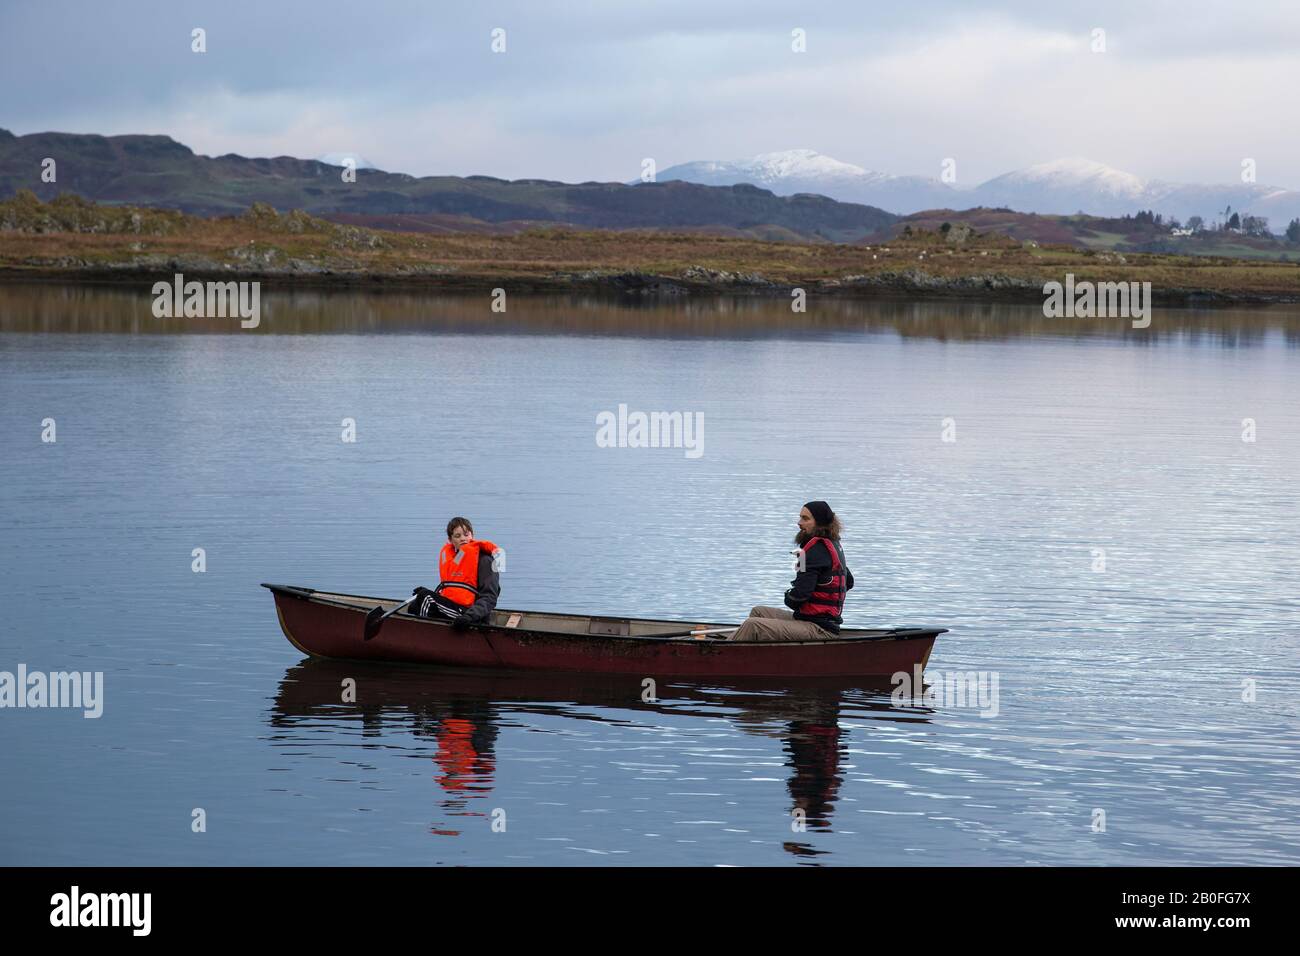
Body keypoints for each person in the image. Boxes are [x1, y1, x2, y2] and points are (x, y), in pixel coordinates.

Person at [729, 500, 854, 642]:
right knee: (758, 612)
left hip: (819, 628)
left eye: (805, 519)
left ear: (819, 523)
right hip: (810, 619)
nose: (799, 522)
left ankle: (722, 654)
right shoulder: (833, 546)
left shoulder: (812, 552)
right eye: (800, 517)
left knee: (753, 625)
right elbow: (849, 582)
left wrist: (788, 596)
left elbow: (798, 598)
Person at [411, 516, 502, 630]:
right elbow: (452, 590)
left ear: (472, 535)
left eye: (466, 534)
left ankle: (424, 635)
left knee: (426, 598)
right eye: (457, 536)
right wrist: (429, 593)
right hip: (454, 609)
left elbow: (490, 598)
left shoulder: (486, 561)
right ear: (450, 540)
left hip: (471, 616)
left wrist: (468, 617)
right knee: (416, 602)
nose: (463, 539)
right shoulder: (454, 560)